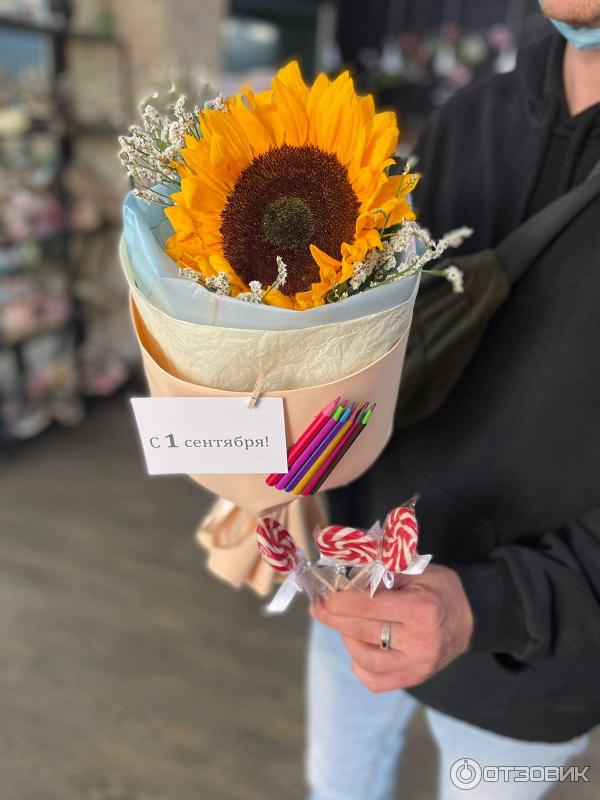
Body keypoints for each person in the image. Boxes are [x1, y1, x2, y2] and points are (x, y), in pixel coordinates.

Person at [308, 2, 600, 798]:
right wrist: (290, 461)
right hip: (356, 579)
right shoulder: (468, 119)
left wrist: (492, 605)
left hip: (531, 664)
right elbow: (388, 350)